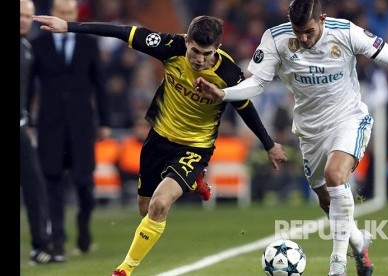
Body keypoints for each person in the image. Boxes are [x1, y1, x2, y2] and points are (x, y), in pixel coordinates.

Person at [33, 14, 287, 276]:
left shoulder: (229, 73)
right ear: (186, 41)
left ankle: (124, 269)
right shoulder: (169, 46)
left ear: (218, 49)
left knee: (160, 204)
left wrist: (268, 144)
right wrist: (69, 27)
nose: (199, 59)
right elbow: (123, 31)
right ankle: (194, 181)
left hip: (195, 147)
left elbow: (244, 106)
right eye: (195, 50)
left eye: (207, 53)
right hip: (159, 140)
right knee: (145, 209)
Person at [194, 0, 388, 275]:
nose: (303, 38)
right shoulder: (276, 39)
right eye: (298, 32)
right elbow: (257, 83)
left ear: (323, 19)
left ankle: (337, 266)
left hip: (348, 119)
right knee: (328, 202)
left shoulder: (346, 33)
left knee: (335, 175)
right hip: (309, 131)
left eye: (308, 31)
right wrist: (224, 94)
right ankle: (358, 241)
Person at [28, 0, 111, 262]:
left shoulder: (89, 44)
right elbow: (28, 85)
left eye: (70, 13)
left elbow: (101, 85)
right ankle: (59, 241)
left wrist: (105, 122)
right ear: (53, 15)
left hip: (82, 127)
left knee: (85, 183)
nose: (66, 17)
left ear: (75, 15)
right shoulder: (38, 45)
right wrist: (28, 119)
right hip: (50, 126)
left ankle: (83, 223)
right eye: (62, 13)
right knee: (51, 184)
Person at [20, 0, 52, 265]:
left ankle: (40, 246)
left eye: (28, 16)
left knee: (35, 186)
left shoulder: (27, 47)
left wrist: (28, 118)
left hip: (20, 129)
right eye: (20, 15)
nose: (24, 20)